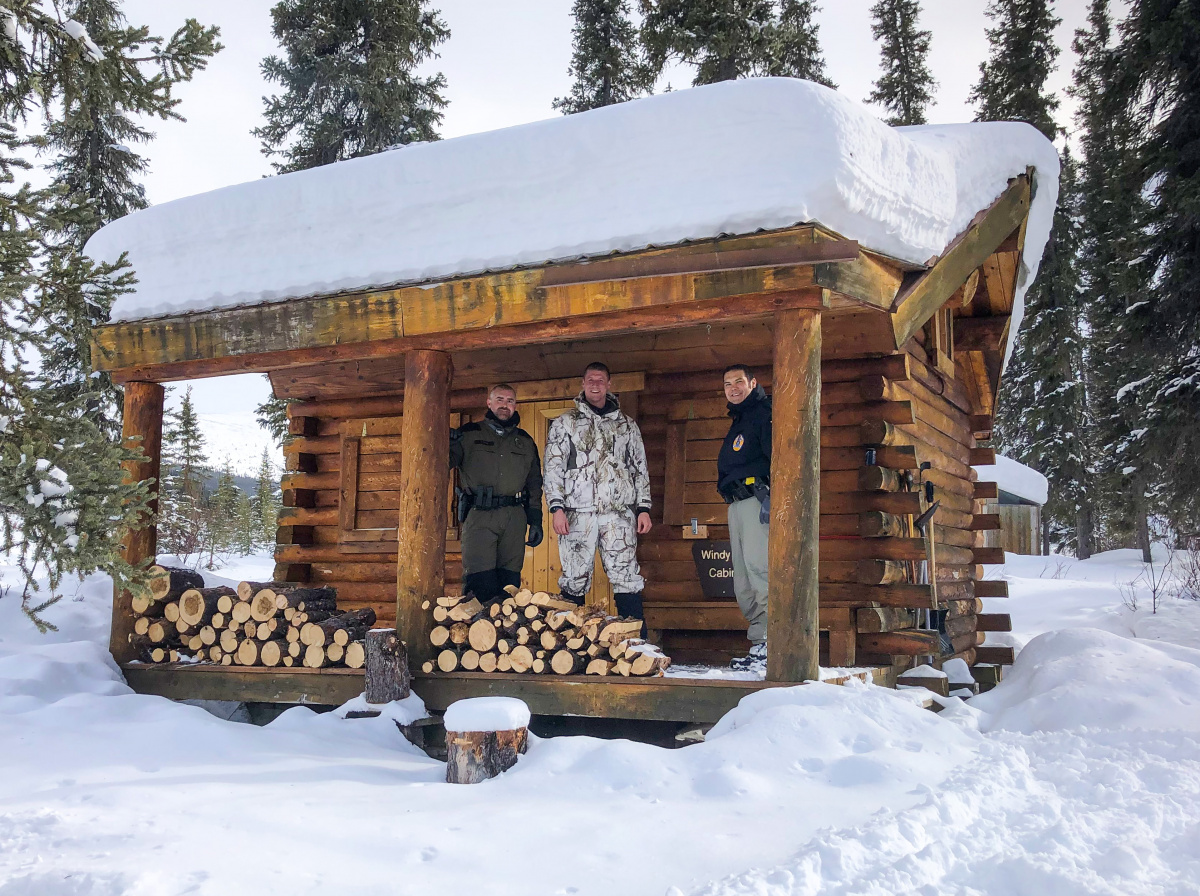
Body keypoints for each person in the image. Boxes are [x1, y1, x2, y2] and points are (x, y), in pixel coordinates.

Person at [544, 361, 652, 622]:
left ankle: (637, 644)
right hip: (577, 515)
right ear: (583, 384)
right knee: (574, 577)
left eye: (600, 380)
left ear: (609, 385)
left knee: (626, 576)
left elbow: (640, 467)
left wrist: (644, 508)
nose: (595, 384)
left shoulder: (627, 425)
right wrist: (556, 508)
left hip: (618, 515)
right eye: (590, 380)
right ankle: (569, 646)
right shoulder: (566, 423)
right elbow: (553, 467)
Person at [450, 383, 543, 603]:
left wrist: (536, 521)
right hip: (480, 515)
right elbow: (438, 465)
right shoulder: (468, 435)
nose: (505, 405)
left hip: (514, 518)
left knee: (509, 586)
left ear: (515, 405)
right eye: (500, 400)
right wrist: (444, 443)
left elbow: (534, 485)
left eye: (510, 401)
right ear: (489, 403)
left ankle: (505, 636)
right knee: (479, 582)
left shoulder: (526, 442)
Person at [717, 363, 773, 671]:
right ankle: (759, 645)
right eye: (728, 384)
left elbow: (781, 457)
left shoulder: (765, 413)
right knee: (743, 580)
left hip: (758, 500)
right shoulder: (740, 418)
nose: (733, 388)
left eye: (739, 381)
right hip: (737, 502)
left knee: (759, 569)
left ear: (753, 382)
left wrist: (773, 498)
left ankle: (773, 643)